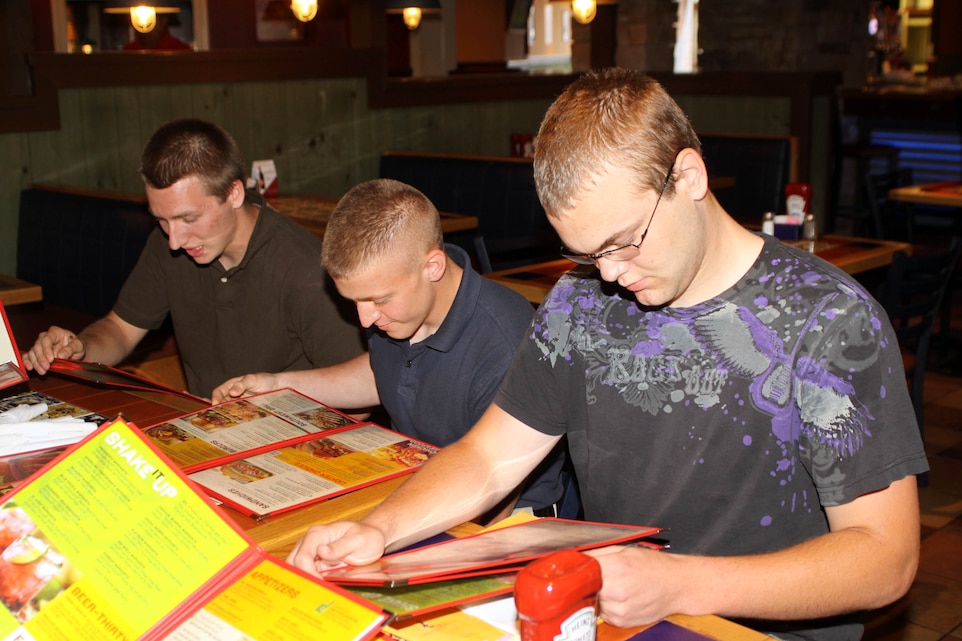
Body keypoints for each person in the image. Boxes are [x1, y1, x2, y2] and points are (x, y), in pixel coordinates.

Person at [283, 69, 927, 641]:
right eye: (589, 255)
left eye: (624, 243)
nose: (612, 275)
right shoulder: (581, 301)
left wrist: (679, 583)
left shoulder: (830, 319)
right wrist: (380, 529)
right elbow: (487, 457)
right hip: (619, 615)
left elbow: (885, 559)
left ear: (687, 176)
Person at [213, 178, 565, 519]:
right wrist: (279, 386)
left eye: (378, 300)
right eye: (354, 301)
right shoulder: (401, 309)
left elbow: (493, 493)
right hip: (409, 484)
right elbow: (383, 373)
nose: (364, 320)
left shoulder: (506, 341)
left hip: (504, 517)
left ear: (432, 267)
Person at [23, 118, 364, 399]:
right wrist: (80, 347)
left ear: (233, 193)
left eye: (188, 219)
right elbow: (121, 329)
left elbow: (356, 398)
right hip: (205, 431)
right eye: (161, 219)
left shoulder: (304, 270)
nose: (174, 240)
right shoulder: (171, 244)